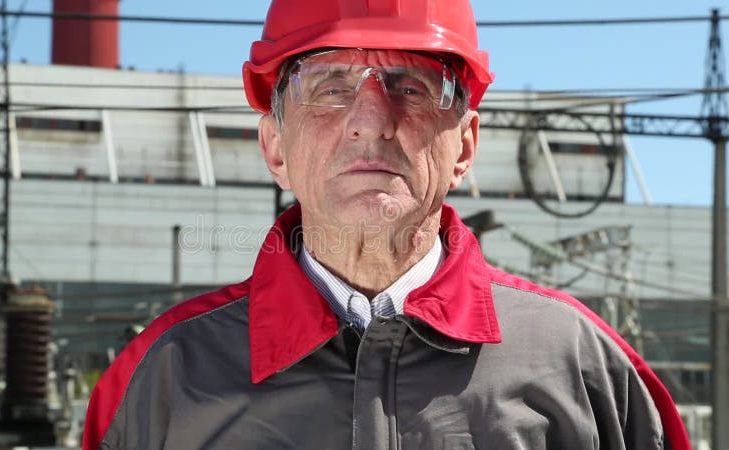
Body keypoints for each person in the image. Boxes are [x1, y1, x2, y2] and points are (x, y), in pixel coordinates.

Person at [83, 0, 691, 448]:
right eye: (329, 87)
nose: (371, 120)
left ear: (465, 145)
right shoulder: (165, 373)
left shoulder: (581, 365)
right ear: (274, 148)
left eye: (410, 87)